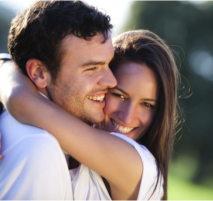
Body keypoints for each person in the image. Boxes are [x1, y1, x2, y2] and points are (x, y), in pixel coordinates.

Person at [0, 30, 180, 200]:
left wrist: (5, 66)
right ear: (102, 86)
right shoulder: (69, 134)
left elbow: (21, 99)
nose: (127, 117)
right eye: (119, 95)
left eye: (147, 105)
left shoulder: (139, 167)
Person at [0, 0, 116, 199]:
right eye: (91, 68)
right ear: (39, 73)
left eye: (109, 64)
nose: (112, 81)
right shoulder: (38, 148)